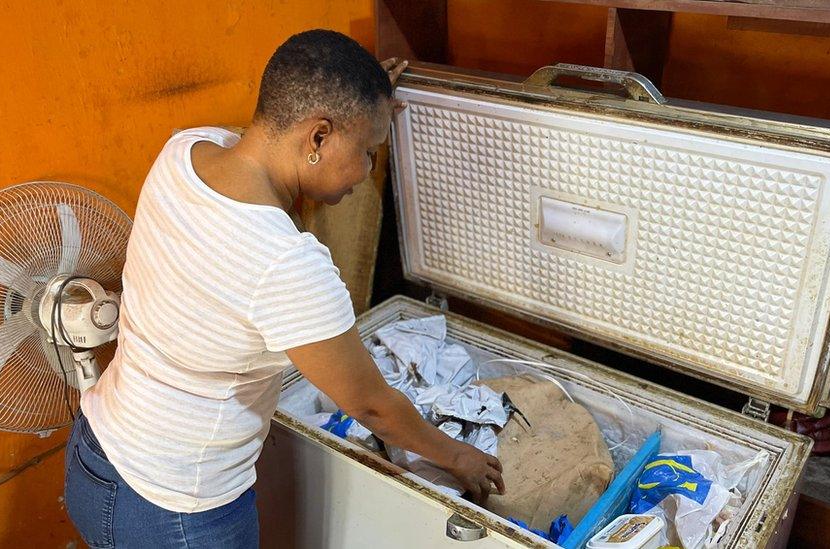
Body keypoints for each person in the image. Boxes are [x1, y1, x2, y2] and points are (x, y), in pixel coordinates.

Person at [63, 29, 504, 548]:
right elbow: (372, 406)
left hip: (95, 456)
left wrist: (361, 107)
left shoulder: (184, 151)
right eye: (367, 151)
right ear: (318, 137)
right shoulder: (288, 265)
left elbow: (268, 170)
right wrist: (457, 456)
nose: (366, 173)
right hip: (175, 511)